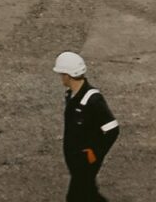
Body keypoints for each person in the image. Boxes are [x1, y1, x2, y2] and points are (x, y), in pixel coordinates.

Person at [55, 51, 118, 202]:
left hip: (85, 161)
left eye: (61, 74)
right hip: (76, 159)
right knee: (89, 194)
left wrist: (95, 152)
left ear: (68, 76)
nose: (60, 77)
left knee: (75, 197)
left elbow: (112, 129)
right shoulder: (71, 95)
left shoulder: (93, 100)